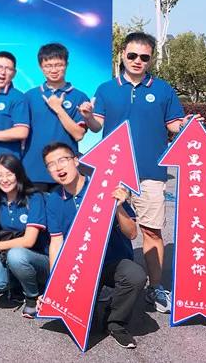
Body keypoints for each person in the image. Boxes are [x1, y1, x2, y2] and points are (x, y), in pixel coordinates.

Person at [79, 31, 187, 314]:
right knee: (104, 231)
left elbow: (174, 124)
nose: (138, 61)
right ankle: (96, 284)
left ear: (151, 59)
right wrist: (88, 116)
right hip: (113, 174)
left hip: (151, 173)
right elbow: (95, 126)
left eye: (144, 57)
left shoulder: (163, 89)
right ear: (122, 55)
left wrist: (187, 125)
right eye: (132, 55)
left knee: (151, 231)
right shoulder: (106, 89)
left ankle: (156, 287)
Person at [43, 142, 145, 349]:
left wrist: (119, 208)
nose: (58, 167)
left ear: (76, 161)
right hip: (80, 268)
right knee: (85, 325)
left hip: (112, 262)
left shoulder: (104, 186)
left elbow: (132, 233)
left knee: (135, 276)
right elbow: (56, 242)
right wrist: (54, 286)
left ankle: (116, 323)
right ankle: (97, 304)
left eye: (62, 160)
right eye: (51, 164)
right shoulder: (53, 199)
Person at [0, 154, 49, 318]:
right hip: (8, 256)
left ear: (18, 174)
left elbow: (29, 240)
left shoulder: (34, 198)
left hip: (39, 258)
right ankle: (20, 282)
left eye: (9, 174)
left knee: (17, 255)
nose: (4, 179)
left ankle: (32, 297)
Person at [22, 43, 88, 191]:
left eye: (58, 65)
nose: (53, 70)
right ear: (41, 67)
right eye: (48, 66)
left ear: (66, 64)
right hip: (32, 170)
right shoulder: (29, 96)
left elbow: (78, 134)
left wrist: (58, 109)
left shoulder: (79, 97)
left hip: (65, 171)